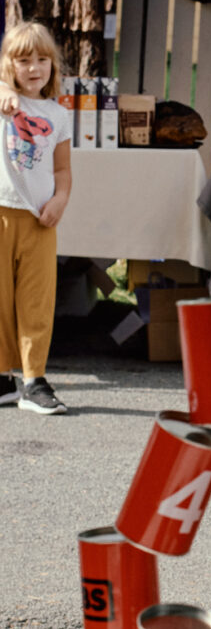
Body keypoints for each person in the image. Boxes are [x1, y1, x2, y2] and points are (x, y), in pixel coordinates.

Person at [0, 21, 72, 415]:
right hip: (1, 211)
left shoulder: (57, 115)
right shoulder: (3, 100)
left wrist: (61, 199)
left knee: (36, 299)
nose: (34, 68)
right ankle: (1, 376)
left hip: (39, 220)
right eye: (24, 60)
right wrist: (3, 89)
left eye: (42, 59)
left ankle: (33, 379)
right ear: (9, 65)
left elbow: (62, 170)